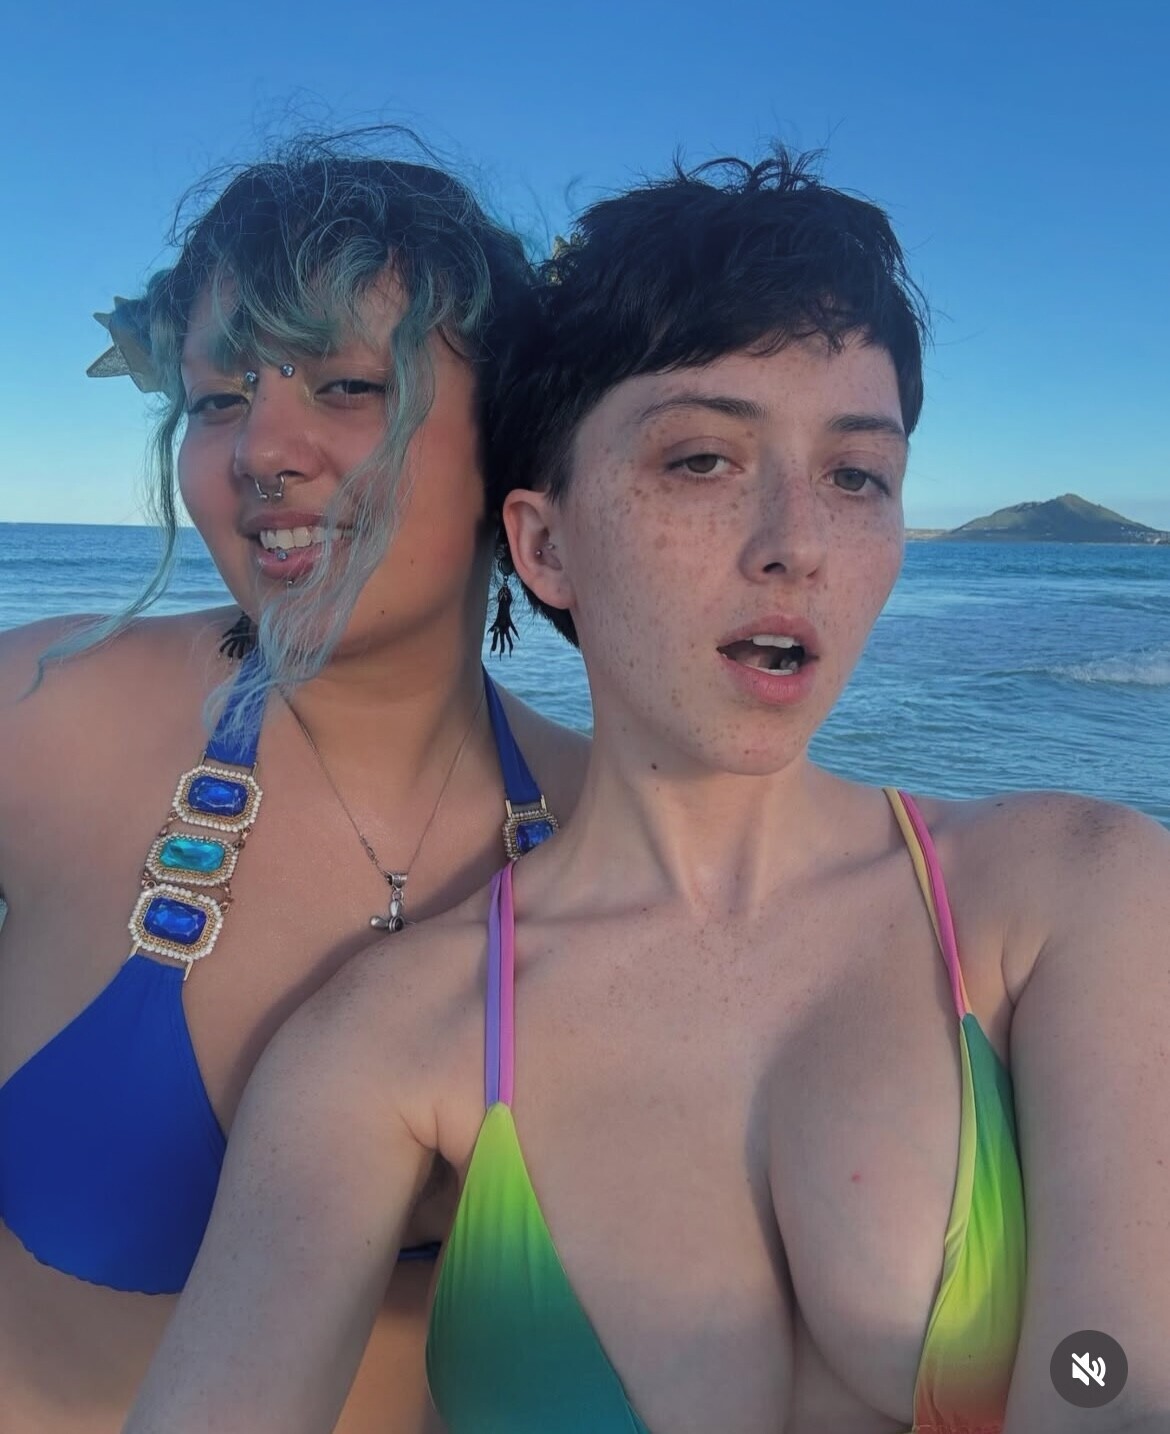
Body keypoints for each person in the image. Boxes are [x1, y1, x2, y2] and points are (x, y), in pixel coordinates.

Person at [125, 150, 1170, 1434]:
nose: (796, 543)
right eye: (701, 461)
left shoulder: (1074, 893)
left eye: (856, 475)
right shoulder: (393, 1038)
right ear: (545, 544)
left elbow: (1113, 1378)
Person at [0, 131, 588, 1434]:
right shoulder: (42, 720)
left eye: (347, 385)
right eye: (217, 400)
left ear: (511, 438)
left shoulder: (612, 818)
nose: (262, 446)